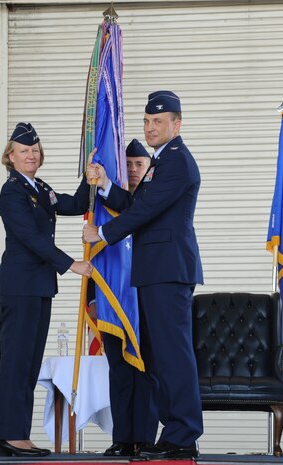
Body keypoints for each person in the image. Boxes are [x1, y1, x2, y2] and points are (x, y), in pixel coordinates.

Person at [83, 91, 204, 459]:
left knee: (174, 355)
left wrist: (102, 234)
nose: (151, 128)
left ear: (176, 125)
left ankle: (183, 435)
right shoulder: (159, 161)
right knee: (160, 357)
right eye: (148, 122)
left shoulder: (177, 161)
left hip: (168, 271)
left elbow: (145, 211)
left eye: (159, 122)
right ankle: (174, 433)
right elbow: (136, 204)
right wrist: (104, 185)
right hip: (154, 272)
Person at [0, 122, 93, 457]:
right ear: (11, 156)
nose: (31, 155)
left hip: (38, 286)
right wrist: (71, 264)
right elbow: (32, 239)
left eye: (34, 150)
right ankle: (10, 435)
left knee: (30, 363)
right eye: (24, 151)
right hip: (20, 285)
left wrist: (90, 173)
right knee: (17, 361)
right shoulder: (13, 192)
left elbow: (76, 203)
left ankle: (17, 434)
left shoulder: (38, 188)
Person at [98, 138, 154, 457]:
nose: (133, 170)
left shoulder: (155, 200)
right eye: (128, 164)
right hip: (113, 301)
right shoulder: (106, 210)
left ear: (149, 169)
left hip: (146, 298)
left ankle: (145, 438)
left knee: (145, 371)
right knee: (119, 371)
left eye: (139, 164)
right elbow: (101, 257)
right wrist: (95, 298)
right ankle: (122, 438)